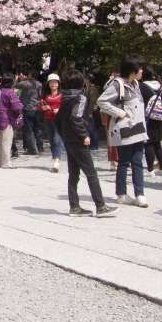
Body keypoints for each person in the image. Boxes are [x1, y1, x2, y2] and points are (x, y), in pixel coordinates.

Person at [56, 70, 118, 217]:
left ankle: (74, 206)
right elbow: (76, 117)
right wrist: (84, 135)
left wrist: (64, 134)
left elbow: (57, 119)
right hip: (77, 139)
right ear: (81, 83)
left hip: (68, 139)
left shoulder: (63, 98)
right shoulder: (80, 98)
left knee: (73, 174)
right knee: (91, 173)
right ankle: (100, 206)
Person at [97, 55, 149, 207]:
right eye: (139, 68)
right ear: (132, 70)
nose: (141, 71)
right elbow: (101, 101)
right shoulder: (117, 84)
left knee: (138, 161)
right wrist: (120, 113)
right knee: (125, 162)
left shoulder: (136, 84)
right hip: (124, 127)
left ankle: (140, 194)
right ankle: (121, 193)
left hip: (138, 127)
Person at [0, 73, 23, 168]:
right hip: (7, 120)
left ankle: (1, 162)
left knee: (0, 143)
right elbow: (16, 107)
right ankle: (6, 163)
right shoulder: (10, 92)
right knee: (6, 142)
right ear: (11, 82)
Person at [140, 65, 162, 175]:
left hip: (148, 117)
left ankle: (150, 169)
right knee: (158, 143)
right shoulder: (161, 86)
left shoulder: (142, 86)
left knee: (148, 143)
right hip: (161, 117)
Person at [40, 73, 64, 172]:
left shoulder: (62, 95)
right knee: (51, 139)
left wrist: (59, 110)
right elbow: (40, 106)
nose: (53, 84)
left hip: (59, 120)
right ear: (48, 84)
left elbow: (66, 107)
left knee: (57, 139)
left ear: (58, 84)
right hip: (48, 119)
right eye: (51, 82)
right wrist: (43, 108)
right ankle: (55, 158)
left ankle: (57, 161)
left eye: (55, 82)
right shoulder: (45, 95)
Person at [15, 70, 44, 154]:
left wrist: (18, 78)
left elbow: (15, 86)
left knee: (28, 129)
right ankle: (40, 146)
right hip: (37, 108)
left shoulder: (25, 83)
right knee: (37, 128)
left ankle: (31, 148)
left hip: (27, 108)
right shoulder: (39, 84)